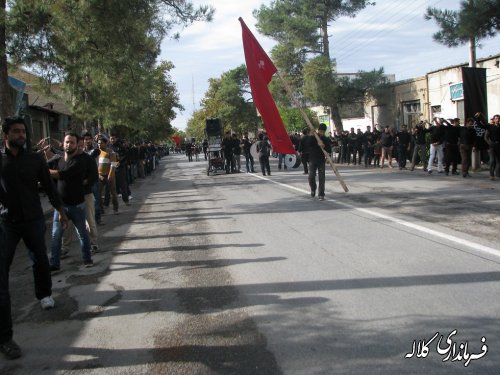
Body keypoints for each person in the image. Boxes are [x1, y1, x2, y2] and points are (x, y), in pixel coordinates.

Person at [0, 117, 68, 360]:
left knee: (40, 258)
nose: (21, 135)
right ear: (5, 134)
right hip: (7, 224)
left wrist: (60, 209)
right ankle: (5, 337)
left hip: (33, 220)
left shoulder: (34, 159)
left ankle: (44, 294)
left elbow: (49, 186)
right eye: (16, 131)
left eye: (23, 131)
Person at [49, 132, 94, 271]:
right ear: (63, 143)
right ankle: (54, 265)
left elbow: (63, 174)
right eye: (67, 142)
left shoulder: (79, 161)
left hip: (77, 205)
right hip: (60, 207)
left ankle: (87, 259)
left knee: (82, 234)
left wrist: (44, 171)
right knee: (56, 236)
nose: (69, 145)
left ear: (76, 144)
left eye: (72, 142)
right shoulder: (59, 160)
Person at [305, 123, 332, 200]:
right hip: (312, 160)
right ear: (318, 130)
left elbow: (329, 150)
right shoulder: (313, 137)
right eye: (320, 131)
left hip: (321, 160)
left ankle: (321, 194)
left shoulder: (326, 139)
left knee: (322, 178)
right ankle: (313, 188)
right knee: (311, 177)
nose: (321, 132)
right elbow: (308, 144)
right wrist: (311, 135)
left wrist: (324, 146)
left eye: (323, 131)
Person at [485, 114, 500, 180]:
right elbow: (486, 137)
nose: (497, 120)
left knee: (499, 161)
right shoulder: (490, 127)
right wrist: (490, 143)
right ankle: (491, 174)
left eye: (498, 118)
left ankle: (498, 174)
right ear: (494, 120)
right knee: (492, 160)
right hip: (492, 146)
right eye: (496, 118)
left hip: (499, 145)